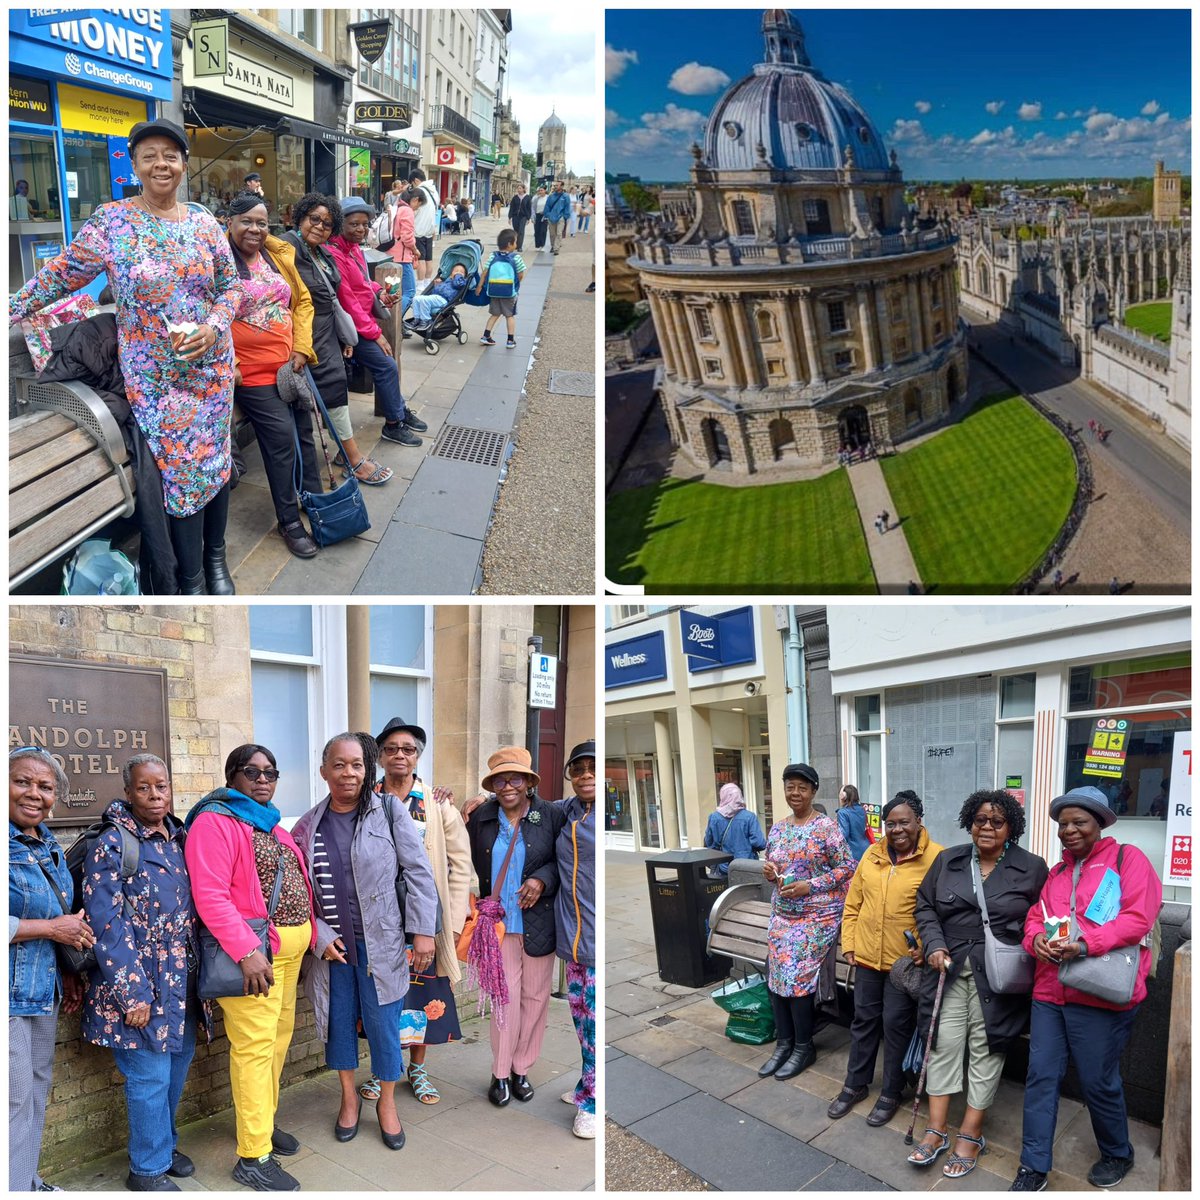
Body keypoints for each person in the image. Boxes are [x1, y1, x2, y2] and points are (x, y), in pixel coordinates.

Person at [10, 118, 241, 595]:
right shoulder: (111, 222)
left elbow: (230, 287)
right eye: (149, 155)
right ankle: (191, 578)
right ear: (134, 165)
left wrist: (214, 327)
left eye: (171, 155)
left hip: (212, 371)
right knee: (181, 471)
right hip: (157, 382)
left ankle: (216, 560)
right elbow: (59, 276)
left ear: (183, 163)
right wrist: (10, 307)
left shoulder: (202, 221)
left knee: (215, 460)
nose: (162, 163)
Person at [1008, 787, 1162, 1192]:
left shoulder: (1128, 861)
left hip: (1100, 994)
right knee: (1040, 1076)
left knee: (1098, 1080)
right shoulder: (1056, 875)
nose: (1070, 831)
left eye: (1080, 822)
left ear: (1100, 823)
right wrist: (1035, 940)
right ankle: (1033, 1165)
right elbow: (1034, 919)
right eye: (1063, 824)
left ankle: (1117, 1153)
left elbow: (1138, 918)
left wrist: (1084, 945)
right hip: (1049, 993)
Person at [291, 733, 437, 1152]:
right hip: (333, 952)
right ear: (324, 772)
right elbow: (300, 893)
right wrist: (318, 935)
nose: (349, 772)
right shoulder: (308, 825)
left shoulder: (388, 810)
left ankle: (387, 1105)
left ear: (366, 769)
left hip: (382, 946)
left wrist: (423, 930)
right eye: (339, 764)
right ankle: (349, 1098)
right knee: (337, 1027)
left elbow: (418, 873)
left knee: (383, 1028)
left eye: (357, 764)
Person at [184, 745, 316, 1192]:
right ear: (231, 776)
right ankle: (253, 1155)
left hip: (289, 953)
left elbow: (295, 884)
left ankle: (262, 1123)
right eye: (252, 771)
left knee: (277, 1043)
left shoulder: (269, 823)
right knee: (254, 1050)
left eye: (271, 772)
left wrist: (313, 931)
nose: (263, 779)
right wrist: (245, 950)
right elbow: (211, 896)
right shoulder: (214, 821)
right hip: (255, 958)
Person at [81, 755, 212, 1192]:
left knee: (176, 1069)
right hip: (141, 983)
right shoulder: (113, 844)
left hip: (183, 982)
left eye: (161, 787)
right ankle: (147, 1168)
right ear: (127, 792)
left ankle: (163, 1144)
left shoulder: (179, 838)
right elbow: (106, 925)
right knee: (149, 1077)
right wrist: (133, 993)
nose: (155, 796)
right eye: (143, 788)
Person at [909, 790, 1047, 1176]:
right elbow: (924, 905)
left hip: (1000, 977)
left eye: (997, 821)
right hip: (947, 969)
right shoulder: (947, 859)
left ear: (1011, 827)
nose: (987, 827)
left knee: (987, 1050)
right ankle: (935, 1131)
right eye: (980, 820)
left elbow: (1043, 917)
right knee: (942, 1044)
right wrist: (933, 945)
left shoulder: (1032, 867)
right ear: (969, 822)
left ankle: (971, 1134)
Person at [364, 718, 469, 1106]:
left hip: (426, 919)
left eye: (407, 749)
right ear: (379, 756)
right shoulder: (366, 798)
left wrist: (453, 924)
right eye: (391, 749)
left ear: (418, 755)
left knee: (424, 996)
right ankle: (383, 1067)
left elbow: (461, 867)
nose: (399, 756)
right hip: (380, 920)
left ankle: (418, 1069)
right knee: (381, 998)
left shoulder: (437, 804)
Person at [829, 790, 943, 1125]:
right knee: (863, 1022)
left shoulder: (937, 858)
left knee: (895, 1025)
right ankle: (855, 1084)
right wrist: (849, 943)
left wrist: (927, 946)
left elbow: (940, 912)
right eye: (890, 823)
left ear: (918, 821)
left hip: (903, 964)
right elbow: (853, 903)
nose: (897, 830)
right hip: (866, 956)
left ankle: (891, 1091)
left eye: (904, 822)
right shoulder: (871, 856)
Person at [9, 747, 91, 1192]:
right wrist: (52, 928)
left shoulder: (46, 846)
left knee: (36, 1088)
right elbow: (51, 922)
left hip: (42, 989)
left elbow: (58, 921)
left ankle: (24, 1180)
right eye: (22, 782)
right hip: (9, 995)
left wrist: (67, 970)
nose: (34, 794)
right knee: (13, 1097)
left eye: (45, 787)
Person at [465, 747, 566, 1106]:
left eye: (515, 778)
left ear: (528, 782)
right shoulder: (480, 817)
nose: (508, 785)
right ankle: (500, 1072)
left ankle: (522, 1068)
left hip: (539, 923)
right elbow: (461, 855)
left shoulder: (550, 814)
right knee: (504, 998)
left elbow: (562, 861)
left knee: (536, 999)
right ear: (492, 785)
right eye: (500, 780)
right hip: (499, 927)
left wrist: (542, 878)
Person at [226, 192, 322, 559]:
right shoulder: (217, 262)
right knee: (281, 437)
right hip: (248, 372)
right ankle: (289, 521)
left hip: (289, 365)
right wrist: (229, 364)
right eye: (246, 221)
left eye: (262, 222)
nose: (255, 228)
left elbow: (303, 302)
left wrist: (301, 347)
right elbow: (208, 318)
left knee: (305, 429)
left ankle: (311, 500)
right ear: (229, 223)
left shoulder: (277, 254)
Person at [284, 193, 392, 487]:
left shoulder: (321, 251)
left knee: (335, 390)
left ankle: (346, 452)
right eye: (314, 219)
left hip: (327, 331)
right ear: (301, 217)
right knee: (331, 390)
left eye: (327, 223)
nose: (319, 226)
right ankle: (353, 458)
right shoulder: (287, 248)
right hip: (305, 334)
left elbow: (337, 294)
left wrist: (345, 334)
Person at [757, 763, 854, 1081]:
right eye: (789, 787)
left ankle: (803, 1046)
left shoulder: (826, 827)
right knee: (776, 977)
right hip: (783, 913)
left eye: (801, 787)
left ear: (813, 791)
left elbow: (846, 869)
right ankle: (783, 1044)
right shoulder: (778, 828)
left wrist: (809, 886)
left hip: (817, 916)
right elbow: (773, 863)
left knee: (795, 976)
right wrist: (770, 873)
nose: (794, 793)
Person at [328, 196, 427, 448]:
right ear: (340, 224)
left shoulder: (354, 250)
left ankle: (399, 411)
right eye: (354, 224)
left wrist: (379, 291)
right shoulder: (335, 253)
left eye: (364, 224)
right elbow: (347, 299)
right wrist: (375, 333)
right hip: (350, 328)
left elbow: (362, 283)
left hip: (362, 322)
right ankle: (393, 424)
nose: (361, 229)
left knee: (389, 364)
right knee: (386, 366)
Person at [557, 742, 597, 1139]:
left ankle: (594, 1103)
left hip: (596, 940)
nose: (586, 775)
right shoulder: (566, 810)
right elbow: (520, 800)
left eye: (593, 768)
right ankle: (587, 1084)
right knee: (580, 1019)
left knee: (596, 1024)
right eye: (579, 768)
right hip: (572, 941)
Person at [702, 783, 766, 876]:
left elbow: (709, 843)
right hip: (746, 867)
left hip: (722, 868)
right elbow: (759, 843)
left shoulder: (714, 817)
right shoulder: (749, 817)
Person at [477, 228, 526, 350]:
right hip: (509, 292)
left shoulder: (493, 256)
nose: (516, 244)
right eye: (515, 242)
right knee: (509, 316)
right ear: (510, 244)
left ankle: (486, 336)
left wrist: (479, 286)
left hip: (494, 291)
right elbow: (520, 274)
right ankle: (510, 340)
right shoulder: (516, 258)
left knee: (495, 314)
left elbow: (484, 272)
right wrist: (515, 283)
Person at [388, 188, 420, 338]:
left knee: (391, 292)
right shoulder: (407, 211)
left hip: (389, 257)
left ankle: (395, 324)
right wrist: (415, 250)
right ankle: (392, 321)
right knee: (410, 292)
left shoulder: (395, 207)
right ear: (415, 200)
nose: (417, 208)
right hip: (402, 259)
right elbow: (407, 238)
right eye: (419, 204)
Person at [408, 262, 470, 328]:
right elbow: (435, 292)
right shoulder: (447, 281)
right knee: (416, 298)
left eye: (461, 272)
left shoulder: (460, 282)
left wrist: (458, 276)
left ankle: (426, 321)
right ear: (451, 274)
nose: (458, 272)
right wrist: (437, 285)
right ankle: (417, 319)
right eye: (456, 271)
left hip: (444, 300)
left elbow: (457, 284)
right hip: (436, 298)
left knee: (424, 300)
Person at [408, 169, 440, 281]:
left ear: (416, 180)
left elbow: (413, 210)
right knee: (428, 259)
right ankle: (427, 282)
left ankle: (421, 285)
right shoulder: (434, 191)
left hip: (419, 229)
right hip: (430, 230)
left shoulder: (419, 191)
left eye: (412, 183)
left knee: (420, 259)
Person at [836, 783, 871, 862]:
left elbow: (843, 835)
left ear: (843, 797)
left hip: (853, 852)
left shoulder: (842, 813)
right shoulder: (861, 809)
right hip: (866, 848)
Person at [544, 181, 573, 255]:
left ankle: (556, 249)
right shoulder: (551, 196)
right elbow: (547, 206)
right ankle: (553, 246)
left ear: (562, 186)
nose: (555, 186)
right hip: (551, 218)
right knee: (552, 234)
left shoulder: (566, 196)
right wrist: (548, 215)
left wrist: (565, 216)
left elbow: (567, 207)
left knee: (559, 233)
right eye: (555, 185)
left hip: (561, 217)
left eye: (557, 185)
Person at [508, 186, 531, 251]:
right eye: (518, 188)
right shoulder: (515, 198)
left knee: (521, 231)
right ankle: (515, 245)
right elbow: (512, 208)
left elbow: (529, 208)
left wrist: (528, 218)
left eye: (520, 188)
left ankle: (520, 246)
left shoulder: (527, 198)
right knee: (516, 231)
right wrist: (510, 217)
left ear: (523, 189)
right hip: (515, 216)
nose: (518, 189)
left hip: (523, 216)